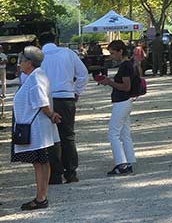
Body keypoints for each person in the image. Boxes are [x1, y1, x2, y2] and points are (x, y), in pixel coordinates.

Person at [11, 46, 62, 211]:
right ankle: (41, 196)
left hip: (36, 129)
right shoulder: (34, 75)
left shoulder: (35, 77)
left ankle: (41, 197)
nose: (19, 64)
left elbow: (41, 101)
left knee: (40, 163)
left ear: (30, 63)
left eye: (22, 61)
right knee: (41, 162)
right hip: (37, 128)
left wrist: (51, 114)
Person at [38, 32, 87, 185]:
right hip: (66, 97)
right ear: (56, 41)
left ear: (39, 44)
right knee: (67, 136)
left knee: (50, 138)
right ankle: (71, 172)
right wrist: (76, 91)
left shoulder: (39, 58)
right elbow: (83, 74)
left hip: (47, 99)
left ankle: (54, 174)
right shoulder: (68, 53)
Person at [99, 40, 138, 176]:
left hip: (121, 101)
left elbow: (125, 87)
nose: (112, 56)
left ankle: (121, 164)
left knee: (113, 134)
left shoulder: (125, 66)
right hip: (125, 102)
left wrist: (110, 82)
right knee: (124, 134)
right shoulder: (128, 64)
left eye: (113, 53)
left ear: (120, 51)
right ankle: (129, 161)